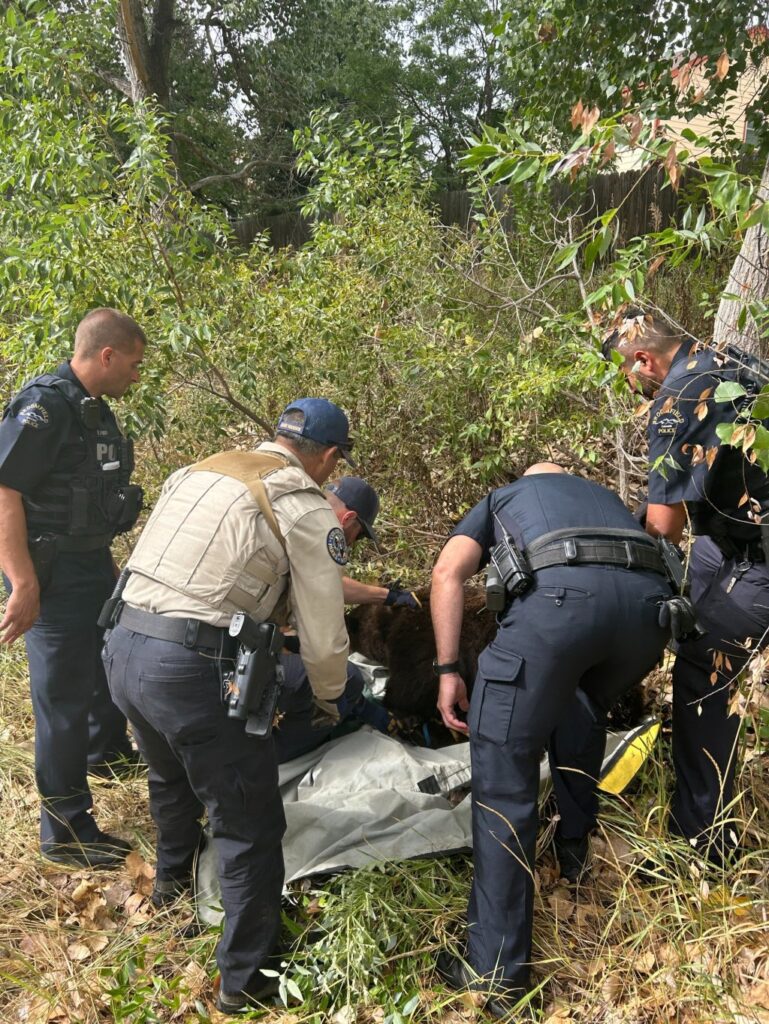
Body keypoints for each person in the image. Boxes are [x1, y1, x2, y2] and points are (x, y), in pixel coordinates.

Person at [102, 397, 356, 1014]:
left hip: (121, 646)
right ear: (328, 456)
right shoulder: (303, 504)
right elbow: (323, 629)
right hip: (191, 668)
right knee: (248, 824)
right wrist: (330, 697)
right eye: (335, 463)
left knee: (170, 781)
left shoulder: (201, 470)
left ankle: (169, 901)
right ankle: (247, 982)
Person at [430, 463, 673, 1015]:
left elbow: (447, 573)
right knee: (579, 706)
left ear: (528, 479)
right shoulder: (605, 498)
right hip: (647, 620)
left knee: (504, 770)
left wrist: (447, 669)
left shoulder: (504, 497)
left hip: (560, 608)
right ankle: (575, 853)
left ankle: (495, 973)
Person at [602, 310, 769, 864]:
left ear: (643, 360)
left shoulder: (675, 401)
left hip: (760, 549)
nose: (633, 388)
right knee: (690, 623)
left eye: (628, 375)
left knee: (702, 667)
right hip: (730, 534)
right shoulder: (728, 360)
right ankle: (695, 749)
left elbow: (663, 526)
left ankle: (703, 841)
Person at [0, 308, 146, 867]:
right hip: (50, 572)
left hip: (88, 564)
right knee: (61, 697)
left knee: (107, 660)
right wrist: (23, 582)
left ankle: (104, 752)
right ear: (106, 355)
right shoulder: (44, 407)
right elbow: (4, 490)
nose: (136, 375)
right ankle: (65, 832)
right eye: (133, 364)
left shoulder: (92, 410)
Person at [275, 475, 420, 763]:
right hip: (236, 649)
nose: (352, 543)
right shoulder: (324, 531)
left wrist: (389, 596)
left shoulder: (294, 515)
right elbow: (327, 598)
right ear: (349, 518)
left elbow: (328, 583)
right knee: (346, 680)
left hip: (217, 634)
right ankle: (267, 760)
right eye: (358, 534)